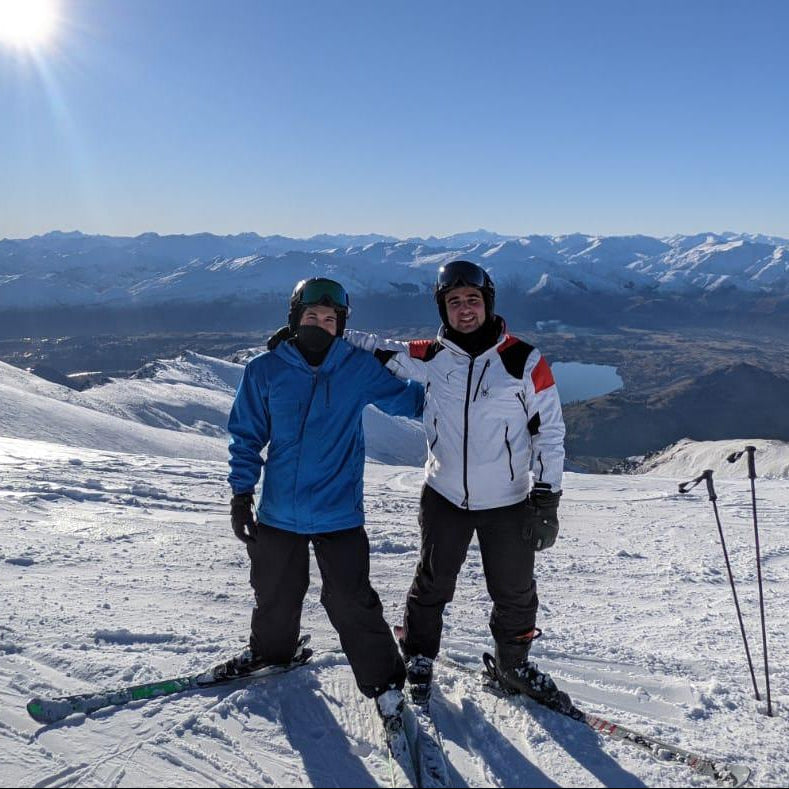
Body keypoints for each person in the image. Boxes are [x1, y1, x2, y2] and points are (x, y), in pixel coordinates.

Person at [345, 259, 567, 706]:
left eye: (472, 300)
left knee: (515, 592)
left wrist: (547, 497)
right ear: (442, 308)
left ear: (488, 304)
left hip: (507, 500)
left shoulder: (524, 360)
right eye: (453, 302)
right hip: (444, 495)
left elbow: (550, 430)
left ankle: (514, 664)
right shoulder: (430, 355)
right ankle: (420, 656)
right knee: (431, 583)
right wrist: (314, 330)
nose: (464, 310)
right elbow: (374, 348)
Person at [225, 277, 424, 722]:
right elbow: (246, 435)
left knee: (351, 600)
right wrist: (241, 494)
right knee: (275, 595)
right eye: (311, 317)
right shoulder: (265, 370)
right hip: (280, 512)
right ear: (295, 320)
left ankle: (386, 684)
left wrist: (458, 388)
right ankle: (272, 655)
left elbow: (410, 401)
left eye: (330, 319)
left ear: (341, 325)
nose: (320, 324)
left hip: (339, 513)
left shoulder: (356, 367)